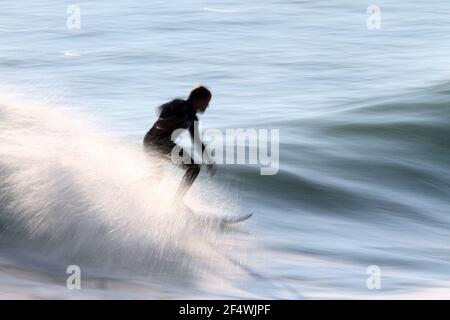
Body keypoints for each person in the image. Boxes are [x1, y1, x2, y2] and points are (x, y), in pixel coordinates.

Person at [143, 85, 216, 201]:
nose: (207, 105)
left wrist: (208, 159)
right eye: (207, 102)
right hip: (155, 141)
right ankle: (176, 201)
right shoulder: (180, 105)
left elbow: (196, 140)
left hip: (157, 142)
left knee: (156, 177)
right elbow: (162, 109)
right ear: (200, 99)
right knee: (193, 168)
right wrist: (167, 122)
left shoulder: (193, 118)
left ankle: (130, 190)